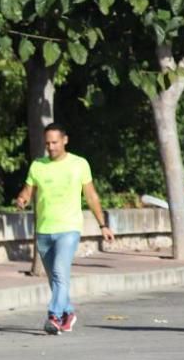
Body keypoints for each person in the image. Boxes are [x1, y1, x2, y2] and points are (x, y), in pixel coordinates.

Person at [15, 122, 115, 335]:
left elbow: (91, 196)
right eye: (47, 143)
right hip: (43, 230)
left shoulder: (79, 164)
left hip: (69, 228)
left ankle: (54, 316)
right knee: (54, 278)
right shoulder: (37, 166)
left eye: (54, 142)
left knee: (61, 272)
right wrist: (22, 199)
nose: (50, 147)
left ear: (65, 140)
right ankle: (68, 312)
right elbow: (27, 191)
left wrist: (103, 225)